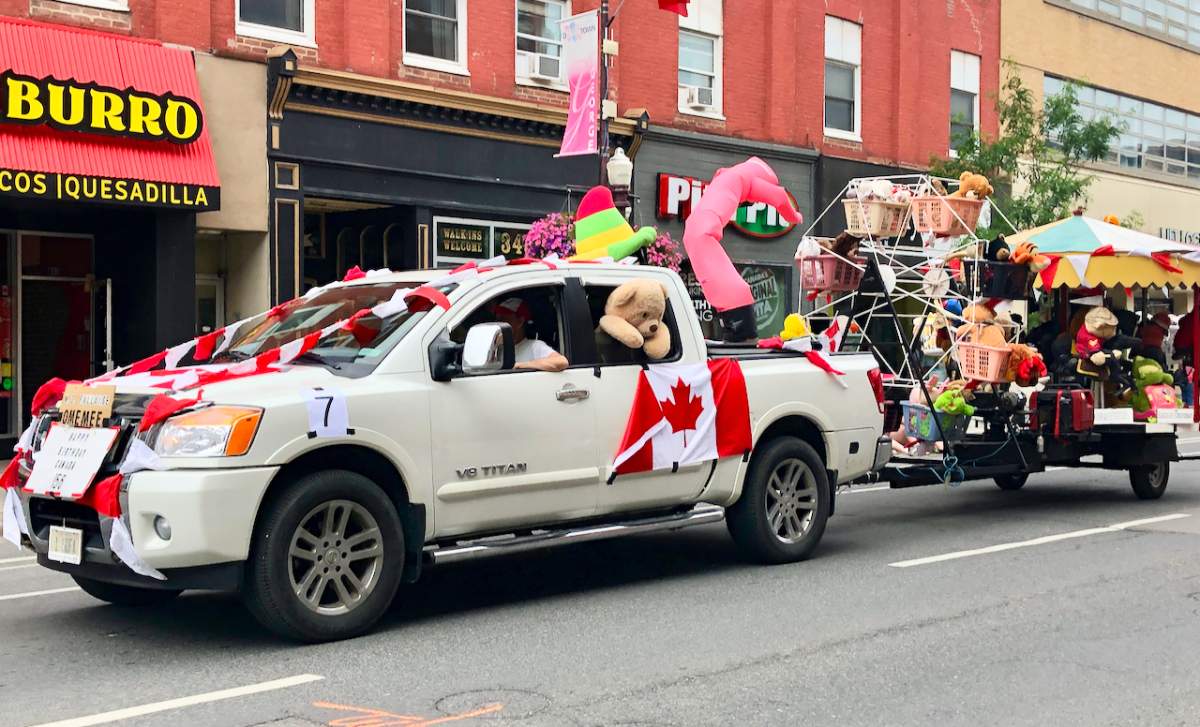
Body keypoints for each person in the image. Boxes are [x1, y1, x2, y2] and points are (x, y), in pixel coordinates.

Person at [491, 297, 569, 372]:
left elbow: (561, 362)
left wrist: (519, 366)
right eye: (497, 319)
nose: (498, 323)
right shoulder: (498, 348)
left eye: (503, 319)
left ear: (520, 321)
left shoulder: (534, 346)